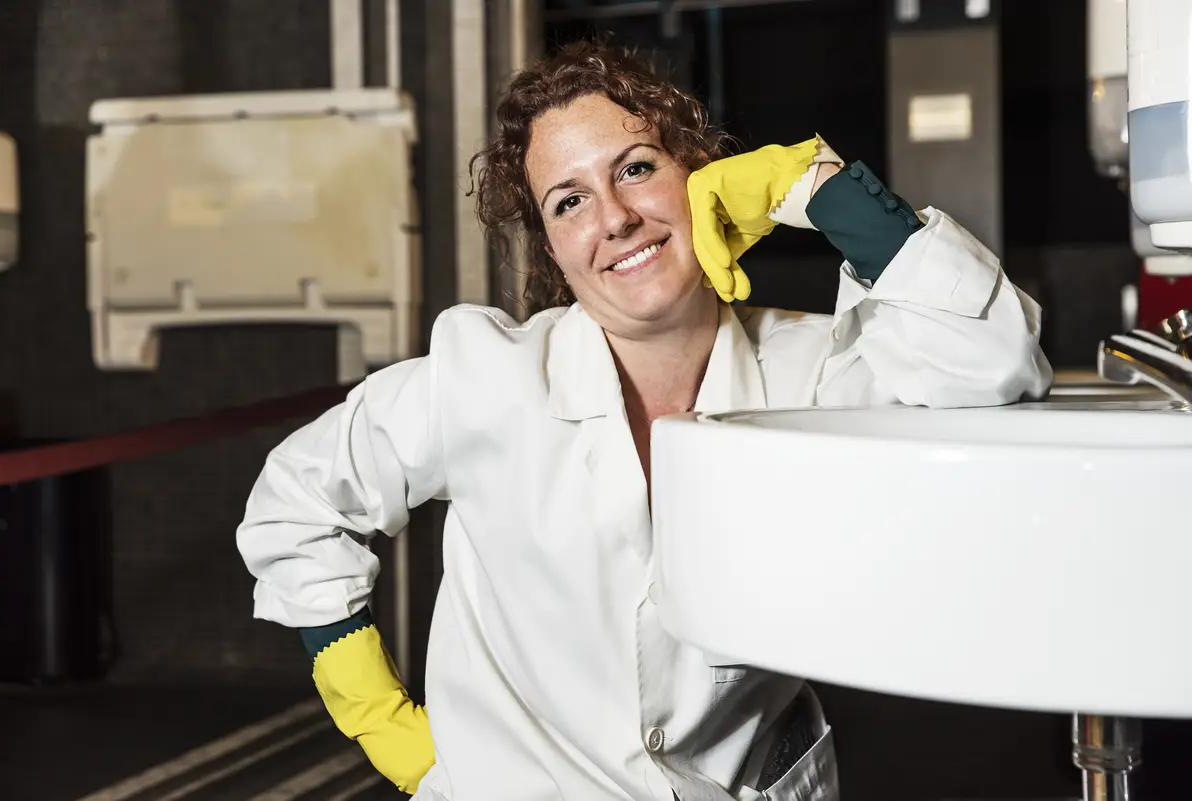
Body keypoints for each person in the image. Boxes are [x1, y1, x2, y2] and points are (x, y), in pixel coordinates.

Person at [236, 40, 1052, 801]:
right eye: (569, 202)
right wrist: (380, 720)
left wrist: (817, 186)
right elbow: (297, 501)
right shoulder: (487, 378)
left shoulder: (815, 371)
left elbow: (994, 362)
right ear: (553, 250)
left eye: (636, 167)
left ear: (700, 172)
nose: (616, 218)